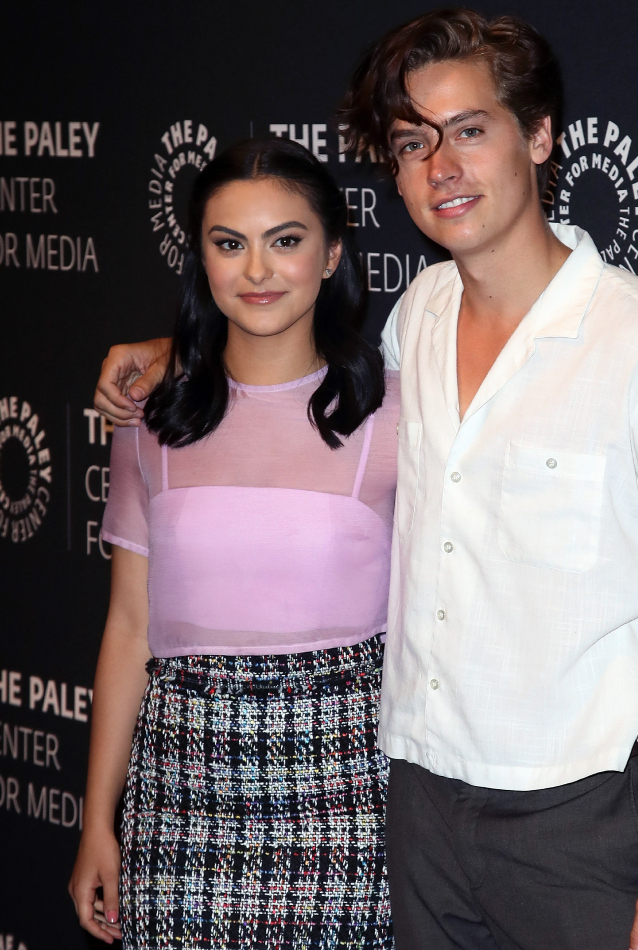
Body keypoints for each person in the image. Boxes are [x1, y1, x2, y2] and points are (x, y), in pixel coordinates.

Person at [93, 9, 638, 950]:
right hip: (412, 807)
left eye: (470, 130)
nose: (441, 166)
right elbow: (288, 369)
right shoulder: (417, 314)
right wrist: (179, 349)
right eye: (414, 143)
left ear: (540, 138)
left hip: (582, 819)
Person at [70, 137, 398, 950]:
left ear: (332, 255)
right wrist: (96, 822)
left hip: (347, 793)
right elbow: (126, 629)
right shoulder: (150, 418)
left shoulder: (397, 413)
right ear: (202, 260)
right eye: (229, 243)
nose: (257, 270)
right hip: (178, 792)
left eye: (286, 240)